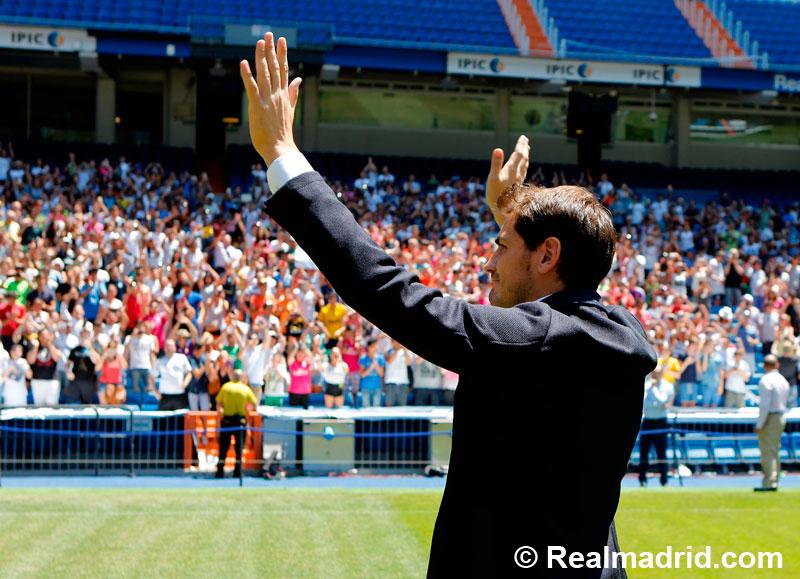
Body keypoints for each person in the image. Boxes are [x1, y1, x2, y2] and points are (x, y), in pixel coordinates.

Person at [240, 34, 656, 577]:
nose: (488, 263)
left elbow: (387, 290)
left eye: (501, 247)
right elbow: (544, 306)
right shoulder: (616, 332)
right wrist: (511, 215)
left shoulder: (539, 338)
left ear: (549, 254)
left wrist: (284, 157)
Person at [754, 355, 790, 492]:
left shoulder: (765, 380)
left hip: (770, 417)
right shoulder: (783, 380)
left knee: (767, 451)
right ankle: (775, 479)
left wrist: (759, 424)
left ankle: (769, 482)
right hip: (781, 416)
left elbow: (765, 405)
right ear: (777, 365)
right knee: (775, 450)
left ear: (764, 366)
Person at [215, 369, 258, 478]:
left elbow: (219, 404)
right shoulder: (245, 389)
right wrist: (247, 409)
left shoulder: (225, 387)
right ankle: (237, 472)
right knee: (239, 448)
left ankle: (220, 472)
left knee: (223, 448)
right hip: (240, 422)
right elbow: (254, 403)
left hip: (227, 421)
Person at [638, 367, 674, 487]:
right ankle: (642, 479)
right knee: (644, 453)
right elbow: (644, 403)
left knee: (661, 453)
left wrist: (654, 390)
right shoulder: (645, 385)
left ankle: (664, 480)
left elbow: (664, 402)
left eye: (657, 372)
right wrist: (656, 403)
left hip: (661, 422)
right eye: (654, 372)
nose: (655, 374)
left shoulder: (668, 386)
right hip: (647, 422)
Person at [66, 327, 101, 404]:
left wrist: (90, 348)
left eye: (87, 335)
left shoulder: (94, 349)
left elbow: (97, 362)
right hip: (75, 381)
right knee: (73, 403)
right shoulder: (75, 349)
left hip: (88, 381)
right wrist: (68, 372)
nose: (84, 336)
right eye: (83, 334)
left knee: (87, 404)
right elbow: (68, 363)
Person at [155, 338, 192, 410]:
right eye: (167, 346)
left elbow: (189, 373)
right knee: (164, 420)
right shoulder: (159, 361)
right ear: (164, 348)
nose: (169, 348)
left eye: (170, 346)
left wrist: (185, 383)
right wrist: (155, 391)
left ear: (175, 347)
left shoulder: (182, 358)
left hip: (179, 395)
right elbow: (151, 377)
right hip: (165, 396)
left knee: (179, 419)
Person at [384, 339, 412, 406]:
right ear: (391, 342)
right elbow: (389, 361)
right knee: (389, 407)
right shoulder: (387, 351)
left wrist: (404, 349)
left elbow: (408, 363)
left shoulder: (405, 352)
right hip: (391, 383)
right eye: (395, 341)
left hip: (403, 384)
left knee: (402, 408)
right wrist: (397, 349)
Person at [358, 339, 384, 408]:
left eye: (376, 346)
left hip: (377, 388)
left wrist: (376, 365)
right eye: (374, 346)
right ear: (369, 347)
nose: (376, 347)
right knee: (365, 409)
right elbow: (362, 375)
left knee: (376, 409)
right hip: (365, 388)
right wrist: (371, 367)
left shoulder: (380, 358)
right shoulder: (363, 358)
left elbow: (381, 374)